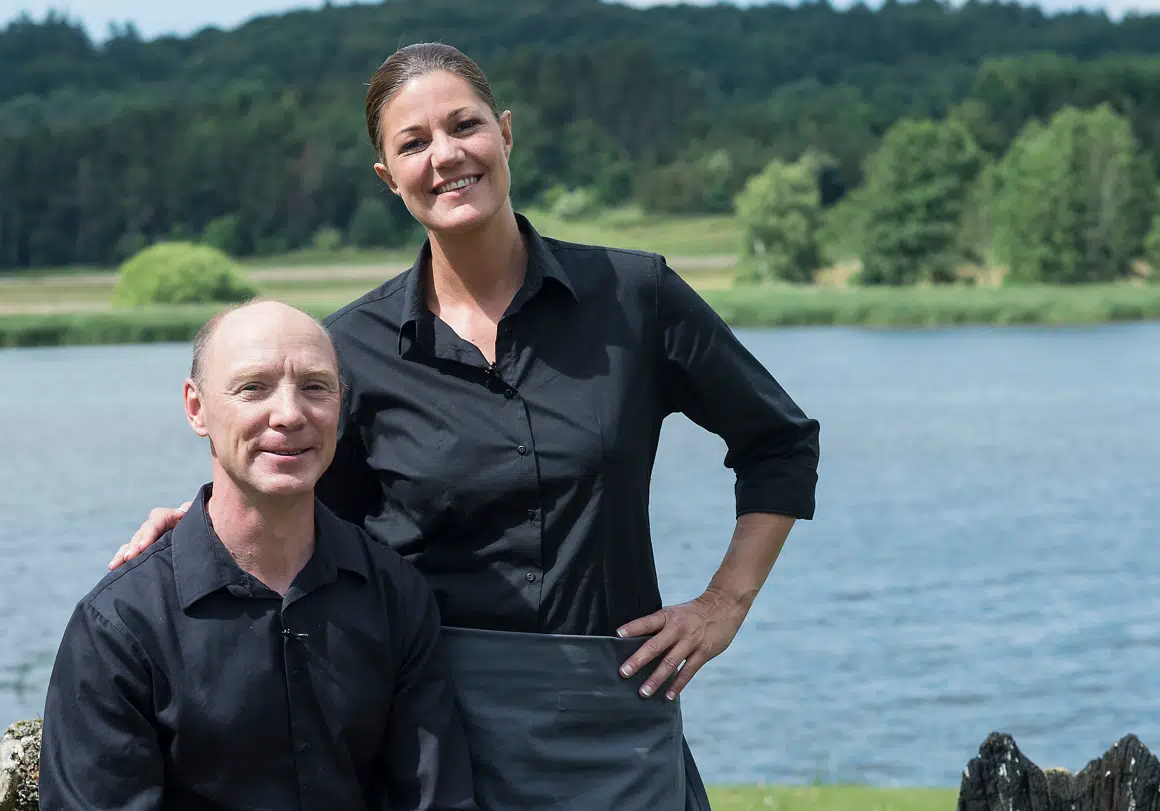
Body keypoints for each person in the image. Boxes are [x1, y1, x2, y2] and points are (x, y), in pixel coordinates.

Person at [110, 43, 821, 810]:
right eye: (413, 143)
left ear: (504, 133)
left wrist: (724, 604)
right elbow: (304, 507)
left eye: (464, 126)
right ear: (388, 176)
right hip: (428, 725)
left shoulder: (635, 295)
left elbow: (777, 441)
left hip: (615, 717)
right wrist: (207, 525)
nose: (446, 155)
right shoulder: (350, 349)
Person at [40, 300, 479, 811]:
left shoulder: (395, 596)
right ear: (196, 408)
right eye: (254, 388)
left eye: (315, 387)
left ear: (341, 405)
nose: (290, 414)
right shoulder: (120, 627)